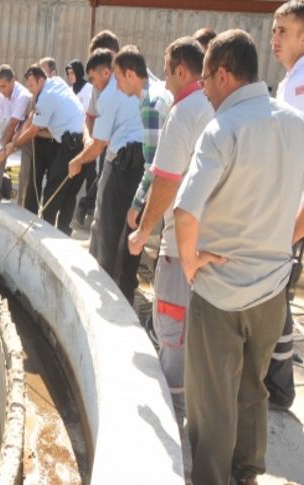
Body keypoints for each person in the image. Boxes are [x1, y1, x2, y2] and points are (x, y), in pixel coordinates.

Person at [174, 29, 304, 485]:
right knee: (253, 389)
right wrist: (282, 241)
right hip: (273, 289)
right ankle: (247, 473)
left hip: (221, 292)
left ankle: (211, 478)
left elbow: (186, 212)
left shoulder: (222, 128)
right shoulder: (295, 123)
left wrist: (190, 264)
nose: (204, 89)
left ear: (224, 75)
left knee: (211, 401)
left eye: (206, 79)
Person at [125, 37, 213, 421]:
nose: (164, 78)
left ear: (181, 70)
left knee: (172, 328)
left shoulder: (184, 112)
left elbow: (165, 179)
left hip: (180, 246)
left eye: (166, 70)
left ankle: (175, 413)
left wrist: (143, 231)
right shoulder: (215, 106)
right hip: (212, 242)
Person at [68, 49, 144, 299]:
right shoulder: (143, 83)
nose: (93, 85)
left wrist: (77, 161)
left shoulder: (111, 94)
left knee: (110, 230)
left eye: (92, 78)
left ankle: (109, 291)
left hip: (123, 166)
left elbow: (98, 143)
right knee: (131, 228)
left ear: (106, 72)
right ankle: (125, 289)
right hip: (140, 165)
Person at [266, 0, 304, 410]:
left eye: (283, 31)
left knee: (275, 293)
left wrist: (292, 224)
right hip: (286, 206)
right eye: (274, 30)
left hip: (293, 210)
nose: (274, 38)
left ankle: (278, 385)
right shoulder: (292, 78)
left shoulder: (300, 84)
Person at [113, 46, 172, 305]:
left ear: (130, 74)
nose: (116, 86)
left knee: (129, 246)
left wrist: (137, 205)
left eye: (116, 79)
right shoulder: (160, 92)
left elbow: (154, 164)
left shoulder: (150, 103)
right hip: (175, 182)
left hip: (168, 184)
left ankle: (125, 307)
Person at [3, 64, 84, 235]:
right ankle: (60, 230)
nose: (31, 90)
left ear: (41, 80)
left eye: (32, 85)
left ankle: (45, 231)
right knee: (64, 191)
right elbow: (34, 117)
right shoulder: (56, 81)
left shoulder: (47, 97)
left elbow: (33, 130)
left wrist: (14, 144)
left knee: (53, 189)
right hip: (70, 139)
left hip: (70, 144)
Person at [74, 30, 121, 229]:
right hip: (108, 151)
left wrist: (78, 160)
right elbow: (90, 117)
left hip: (127, 155)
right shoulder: (98, 85)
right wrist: (87, 139)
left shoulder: (125, 84)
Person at [0, 64, 32, 201]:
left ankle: (22, 202)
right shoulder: (2, 94)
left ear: (13, 81)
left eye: (4, 86)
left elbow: (13, 124)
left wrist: (4, 146)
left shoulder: (23, 96)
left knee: (24, 172)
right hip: (11, 130)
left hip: (26, 133)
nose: (1, 91)